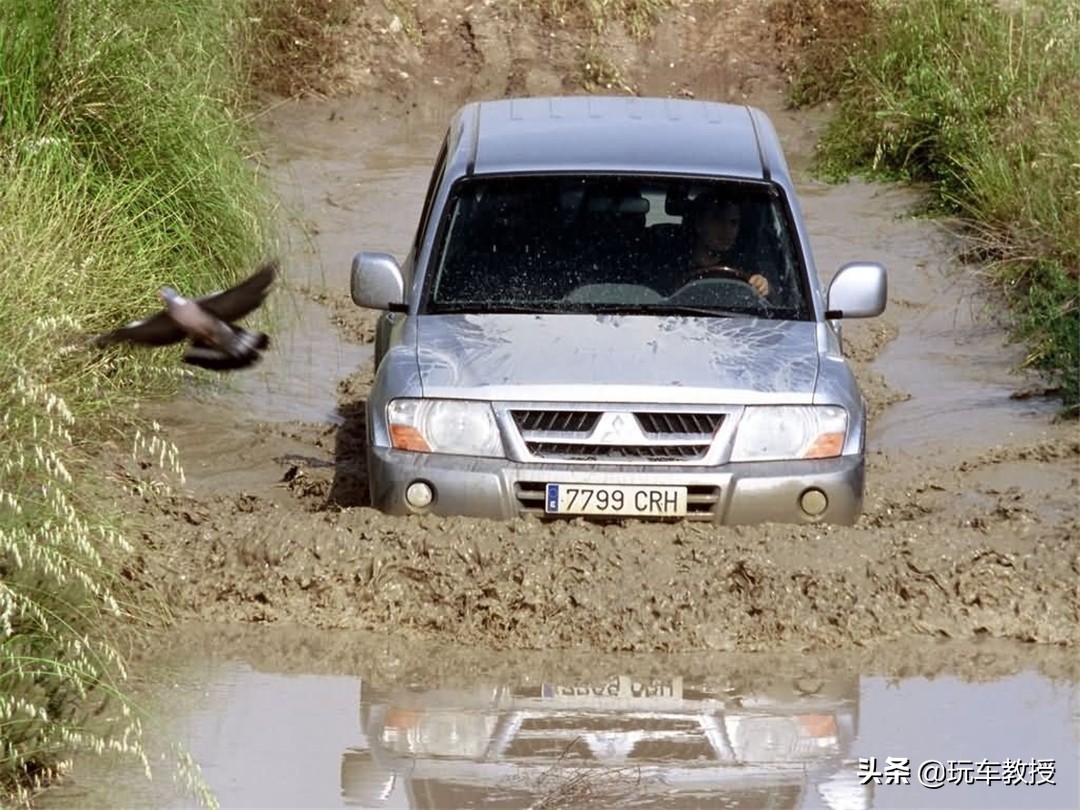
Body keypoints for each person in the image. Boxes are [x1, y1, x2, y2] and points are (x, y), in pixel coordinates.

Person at [673, 191, 771, 298]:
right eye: (718, 220)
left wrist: (763, 286)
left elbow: (769, 304)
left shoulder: (745, 267)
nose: (728, 230)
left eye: (733, 222)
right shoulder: (674, 264)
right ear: (698, 224)